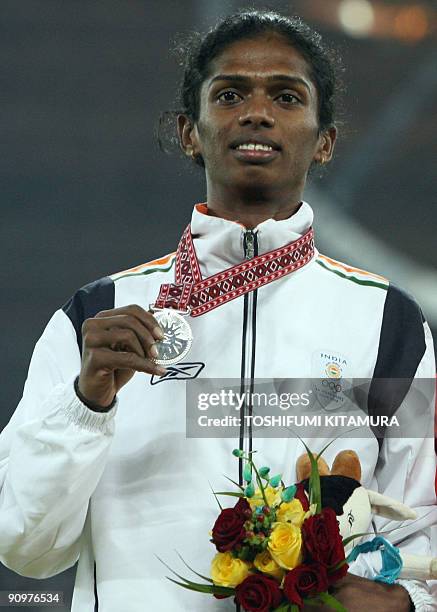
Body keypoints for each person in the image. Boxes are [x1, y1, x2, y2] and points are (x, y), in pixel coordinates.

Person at [0, 10, 435, 612]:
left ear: (326, 139)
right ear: (189, 131)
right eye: (229, 94)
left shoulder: (388, 324)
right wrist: (86, 402)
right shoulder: (98, 318)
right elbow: (25, 547)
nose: (257, 113)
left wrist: (406, 600)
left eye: (286, 96)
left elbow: (423, 529)